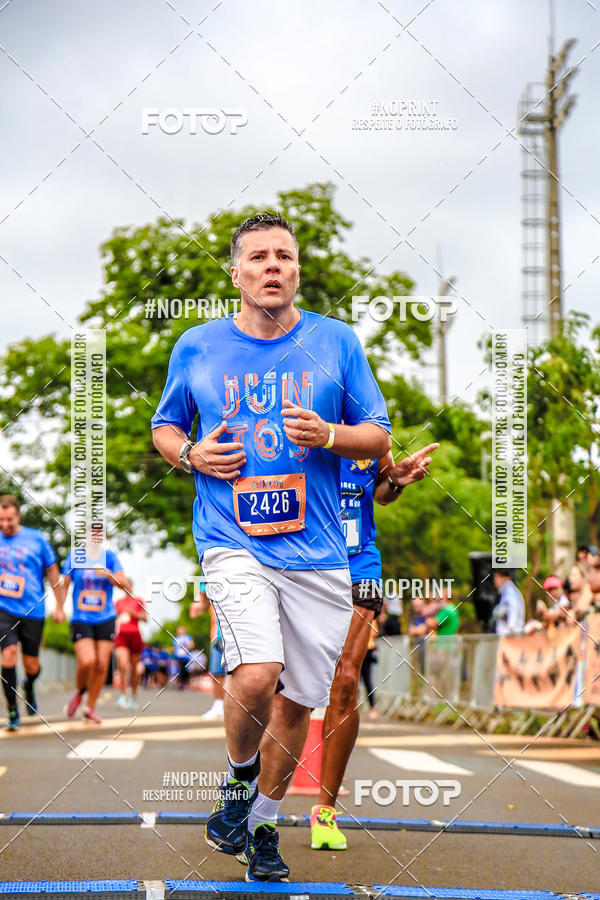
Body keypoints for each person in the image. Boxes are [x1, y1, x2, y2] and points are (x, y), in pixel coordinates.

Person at [151, 211, 391, 882]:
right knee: (256, 673)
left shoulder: (335, 341)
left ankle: (260, 825)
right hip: (232, 541)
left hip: (318, 553)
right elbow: (165, 427)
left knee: (296, 703)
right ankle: (238, 781)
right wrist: (193, 454)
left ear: (297, 270)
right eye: (257, 257)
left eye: (283, 255)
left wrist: (330, 436)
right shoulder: (198, 346)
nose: (272, 266)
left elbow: (378, 434)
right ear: (237, 274)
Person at [310, 444, 438, 852]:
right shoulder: (292, 420)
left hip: (359, 566)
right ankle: (252, 794)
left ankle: (325, 811)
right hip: (301, 565)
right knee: (281, 688)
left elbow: (380, 493)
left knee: (346, 679)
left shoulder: (371, 432)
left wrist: (396, 481)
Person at [0, 495, 65, 731]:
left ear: (18, 516)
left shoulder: (36, 538)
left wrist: (59, 605)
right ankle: (12, 710)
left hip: (33, 610)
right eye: (0, 520)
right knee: (8, 655)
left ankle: (29, 685)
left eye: (9, 519)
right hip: (4, 608)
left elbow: (52, 570)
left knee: (32, 665)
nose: (5, 524)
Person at [62, 533, 131, 724]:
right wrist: (59, 607)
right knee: (88, 661)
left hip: (105, 618)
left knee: (101, 664)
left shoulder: (110, 557)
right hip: (81, 618)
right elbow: (64, 583)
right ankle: (80, 692)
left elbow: (126, 585)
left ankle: (90, 707)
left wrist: (109, 575)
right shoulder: (75, 556)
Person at [191, 591, 226, 721]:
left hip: (239, 631)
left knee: (236, 672)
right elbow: (205, 603)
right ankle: (218, 706)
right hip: (217, 634)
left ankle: (232, 707)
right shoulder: (204, 579)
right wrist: (198, 606)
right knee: (216, 673)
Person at [114, 585, 147, 709]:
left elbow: (145, 618)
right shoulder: (118, 602)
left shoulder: (138, 600)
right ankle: (123, 695)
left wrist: (133, 613)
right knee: (122, 664)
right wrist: (118, 615)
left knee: (134, 669)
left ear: (132, 586)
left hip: (135, 636)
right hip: (121, 636)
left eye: (129, 585)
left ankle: (133, 696)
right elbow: (113, 617)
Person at [491, 569, 525, 636]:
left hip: (511, 634)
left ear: (506, 578)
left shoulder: (509, 589)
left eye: (498, 577)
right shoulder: (506, 590)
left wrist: (511, 627)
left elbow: (513, 607)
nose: (495, 580)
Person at [173, 625, 194, 690]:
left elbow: (192, 645)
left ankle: (185, 683)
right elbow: (174, 648)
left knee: (185, 669)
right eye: (179, 629)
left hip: (186, 656)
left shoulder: (187, 637)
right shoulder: (175, 638)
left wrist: (186, 645)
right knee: (179, 669)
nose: (180, 631)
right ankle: (181, 683)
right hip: (178, 657)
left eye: (182, 629)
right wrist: (174, 657)